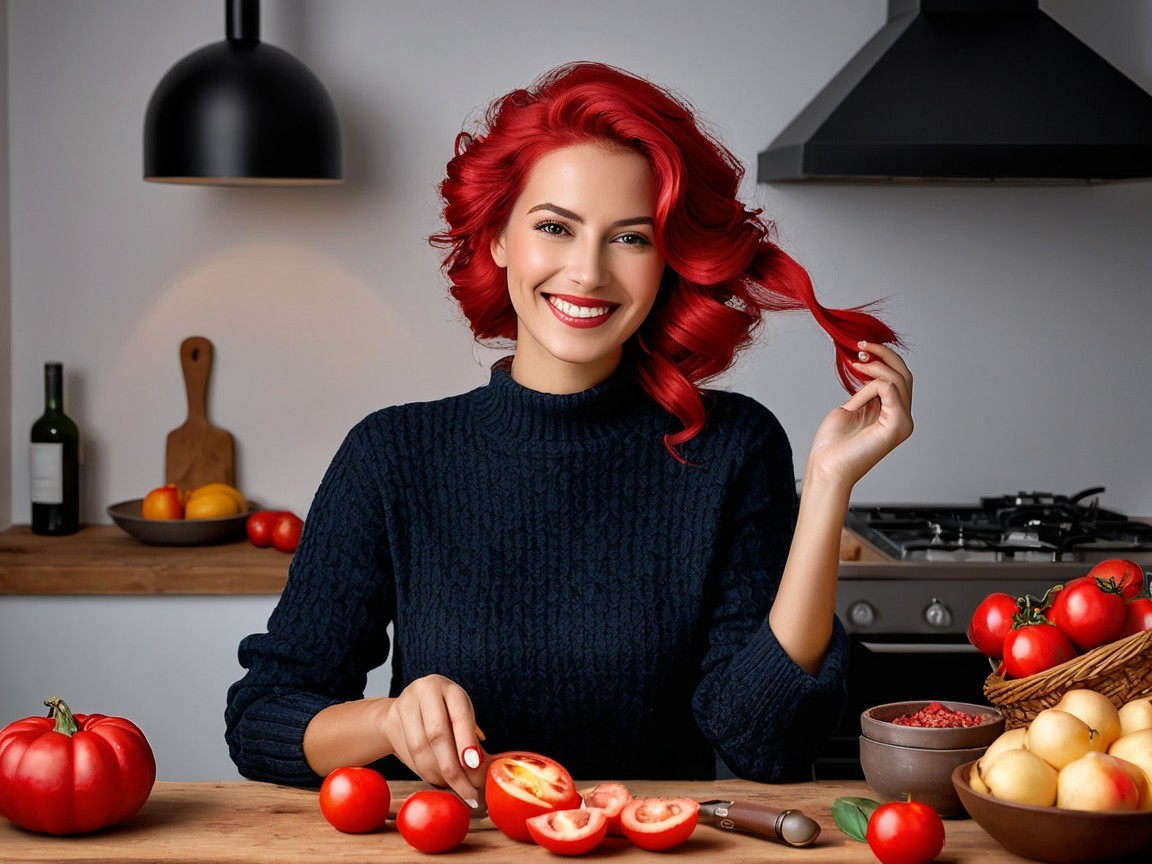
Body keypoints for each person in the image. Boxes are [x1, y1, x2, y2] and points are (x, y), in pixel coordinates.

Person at [225, 61, 913, 806]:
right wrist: (389, 722)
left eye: (630, 238)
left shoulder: (733, 447)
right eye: (555, 227)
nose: (586, 272)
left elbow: (764, 744)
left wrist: (829, 489)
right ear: (496, 238)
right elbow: (264, 718)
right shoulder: (392, 455)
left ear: (667, 262)